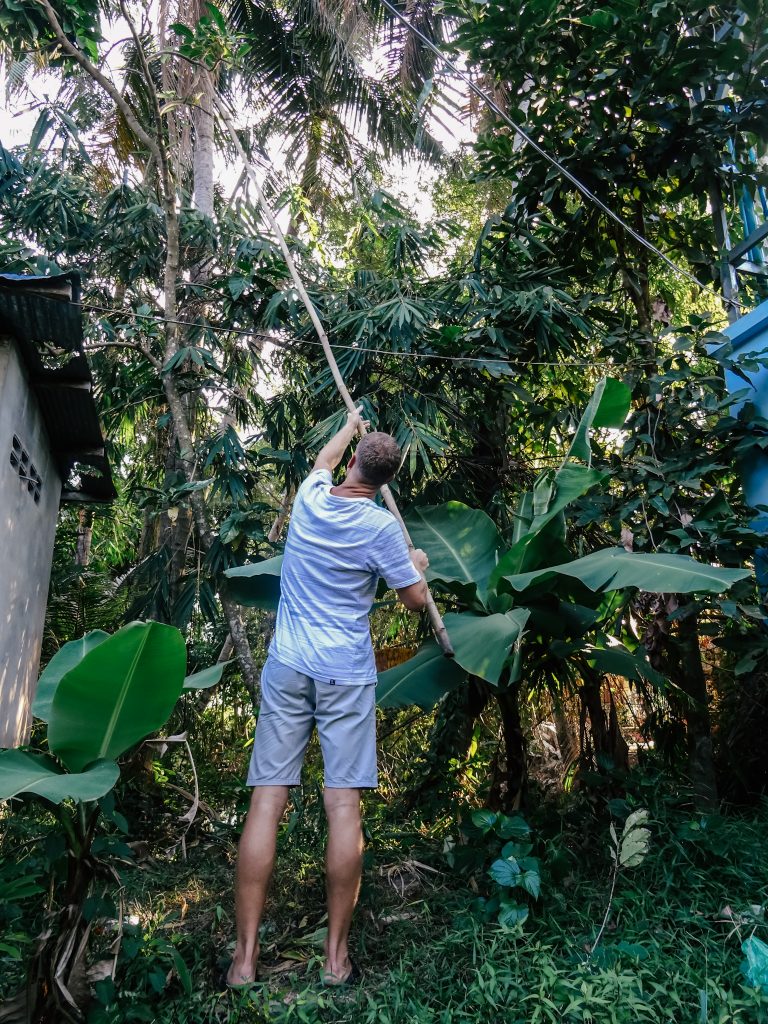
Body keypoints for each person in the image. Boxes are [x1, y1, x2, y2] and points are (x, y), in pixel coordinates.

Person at [227, 407, 430, 988]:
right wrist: (417, 564)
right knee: (343, 807)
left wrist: (349, 422)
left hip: (289, 665)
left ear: (355, 462)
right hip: (344, 674)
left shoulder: (313, 496)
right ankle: (336, 959)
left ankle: (244, 961)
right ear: (387, 480)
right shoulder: (381, 529)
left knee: (267, 800)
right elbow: (415, 600)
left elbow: (322, 459)